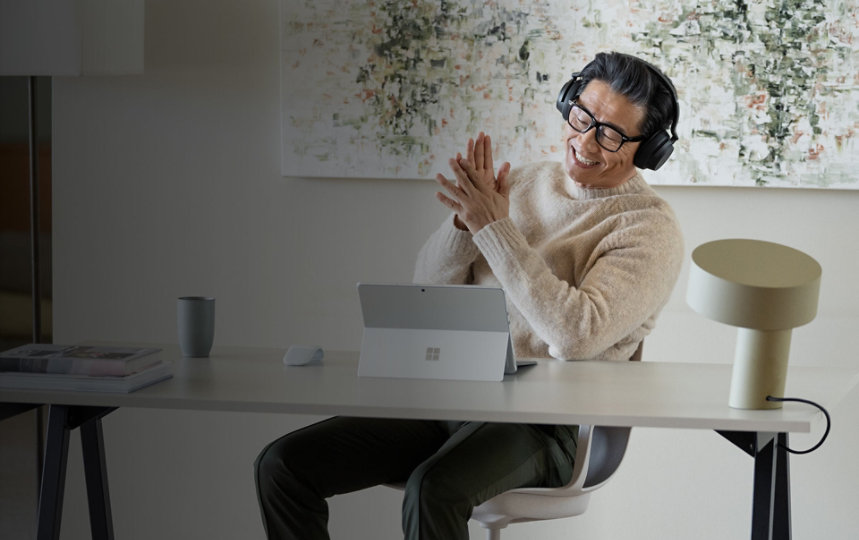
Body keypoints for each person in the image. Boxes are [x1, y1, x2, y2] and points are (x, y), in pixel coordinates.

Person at [255, 51, 684, 540]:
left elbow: (575, 335)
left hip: (547, 425)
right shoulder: (523, 182)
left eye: (610, 134)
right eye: (582, 115)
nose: (585, 140)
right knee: (284, 466)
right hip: (453, 398)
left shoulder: (648, 229)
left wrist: (495, 229)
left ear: (647, 149)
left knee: (434, 488)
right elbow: (428, 290)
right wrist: (465, 226)